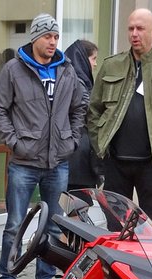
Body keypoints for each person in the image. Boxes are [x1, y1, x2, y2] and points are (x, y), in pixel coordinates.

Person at [0, 14, 86, 279]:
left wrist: (72, 139)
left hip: (58, 163)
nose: (53, 42)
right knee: (15, 224)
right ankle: (6, 277)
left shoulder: (67, 70)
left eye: (56, 37)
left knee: (55, 224)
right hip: (24, 163)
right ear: (34, 38)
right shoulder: (13, 70)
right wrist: (15, 143)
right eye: (47, 36)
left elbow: (79, 108)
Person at [87, 9, 152, 229]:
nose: (134, 34)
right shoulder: (111, 65)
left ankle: (151, 264)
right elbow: (93, 110)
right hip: (116, 162)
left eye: (140, 28)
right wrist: (101, 145)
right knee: (116, 227)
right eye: (131, 28)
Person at [65, 39, 99, 193]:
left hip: (73, 153)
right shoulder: (80, 84)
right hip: (79, 157)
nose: (95, 64)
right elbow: (88, 115)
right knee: (78, 204)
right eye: (94, 59)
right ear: (83, 59)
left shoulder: (69, 79)